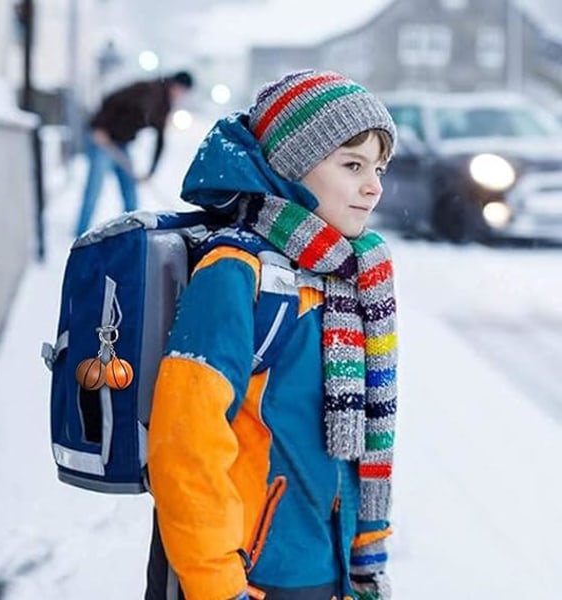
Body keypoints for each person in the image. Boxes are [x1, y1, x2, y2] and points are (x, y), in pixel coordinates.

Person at [146, 69, 399, 600]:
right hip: (255, 575)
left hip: (330, 565)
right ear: (293, 166)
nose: (373, 186)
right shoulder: (237, 274)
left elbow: (356, 450)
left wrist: (366, 551)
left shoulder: (349, 281)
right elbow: (186, 446)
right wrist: (218, 584)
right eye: (352, 165)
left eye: (378, 167)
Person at [74, 70, 194, 236]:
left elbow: (160, 140)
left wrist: (150, 172)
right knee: (94, 189)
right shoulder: (146, 89)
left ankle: (133, 232)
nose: (181, 95)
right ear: (175, 85)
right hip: (104, 139)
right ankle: (80, 232)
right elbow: (112, 99)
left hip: (122, 145)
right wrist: (98, 127)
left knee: (130, 191)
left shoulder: (164, 105)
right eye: (182, 91)